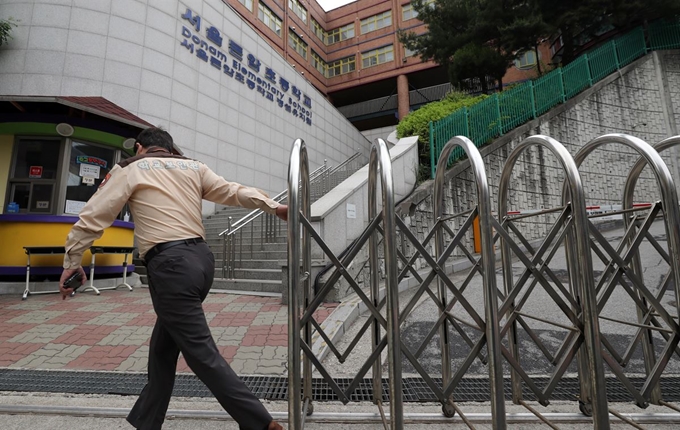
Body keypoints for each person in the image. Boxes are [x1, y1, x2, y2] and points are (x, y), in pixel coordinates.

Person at [59, 127, 287, 430]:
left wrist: (73, 260)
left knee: (200, 353)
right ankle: (147, 422)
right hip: (202, 262)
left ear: (140, 147)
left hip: (171, 266)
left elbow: (94, 215)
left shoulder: (131, 169)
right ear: (169, 148)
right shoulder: (194, 167)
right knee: (163, 350)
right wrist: (273, 206)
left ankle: (260, 423)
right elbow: (232, 191)